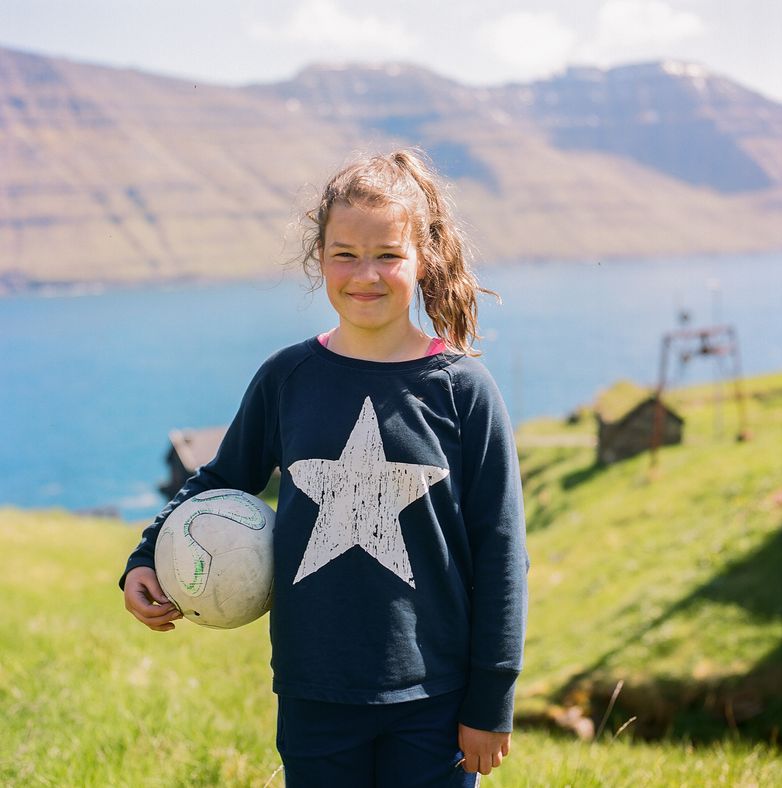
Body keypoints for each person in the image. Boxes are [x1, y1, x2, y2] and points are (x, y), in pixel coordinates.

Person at [121, 149, 529, 787]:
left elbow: (502, 552)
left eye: (388, 254)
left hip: (435, 699)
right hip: (314, 693)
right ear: (319, 259)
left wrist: (491, 699)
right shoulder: (288, 378)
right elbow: (221, 479)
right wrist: (148, 554)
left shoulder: (463, 390)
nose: (365, 274)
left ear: (424, 258)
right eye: (345, 254)